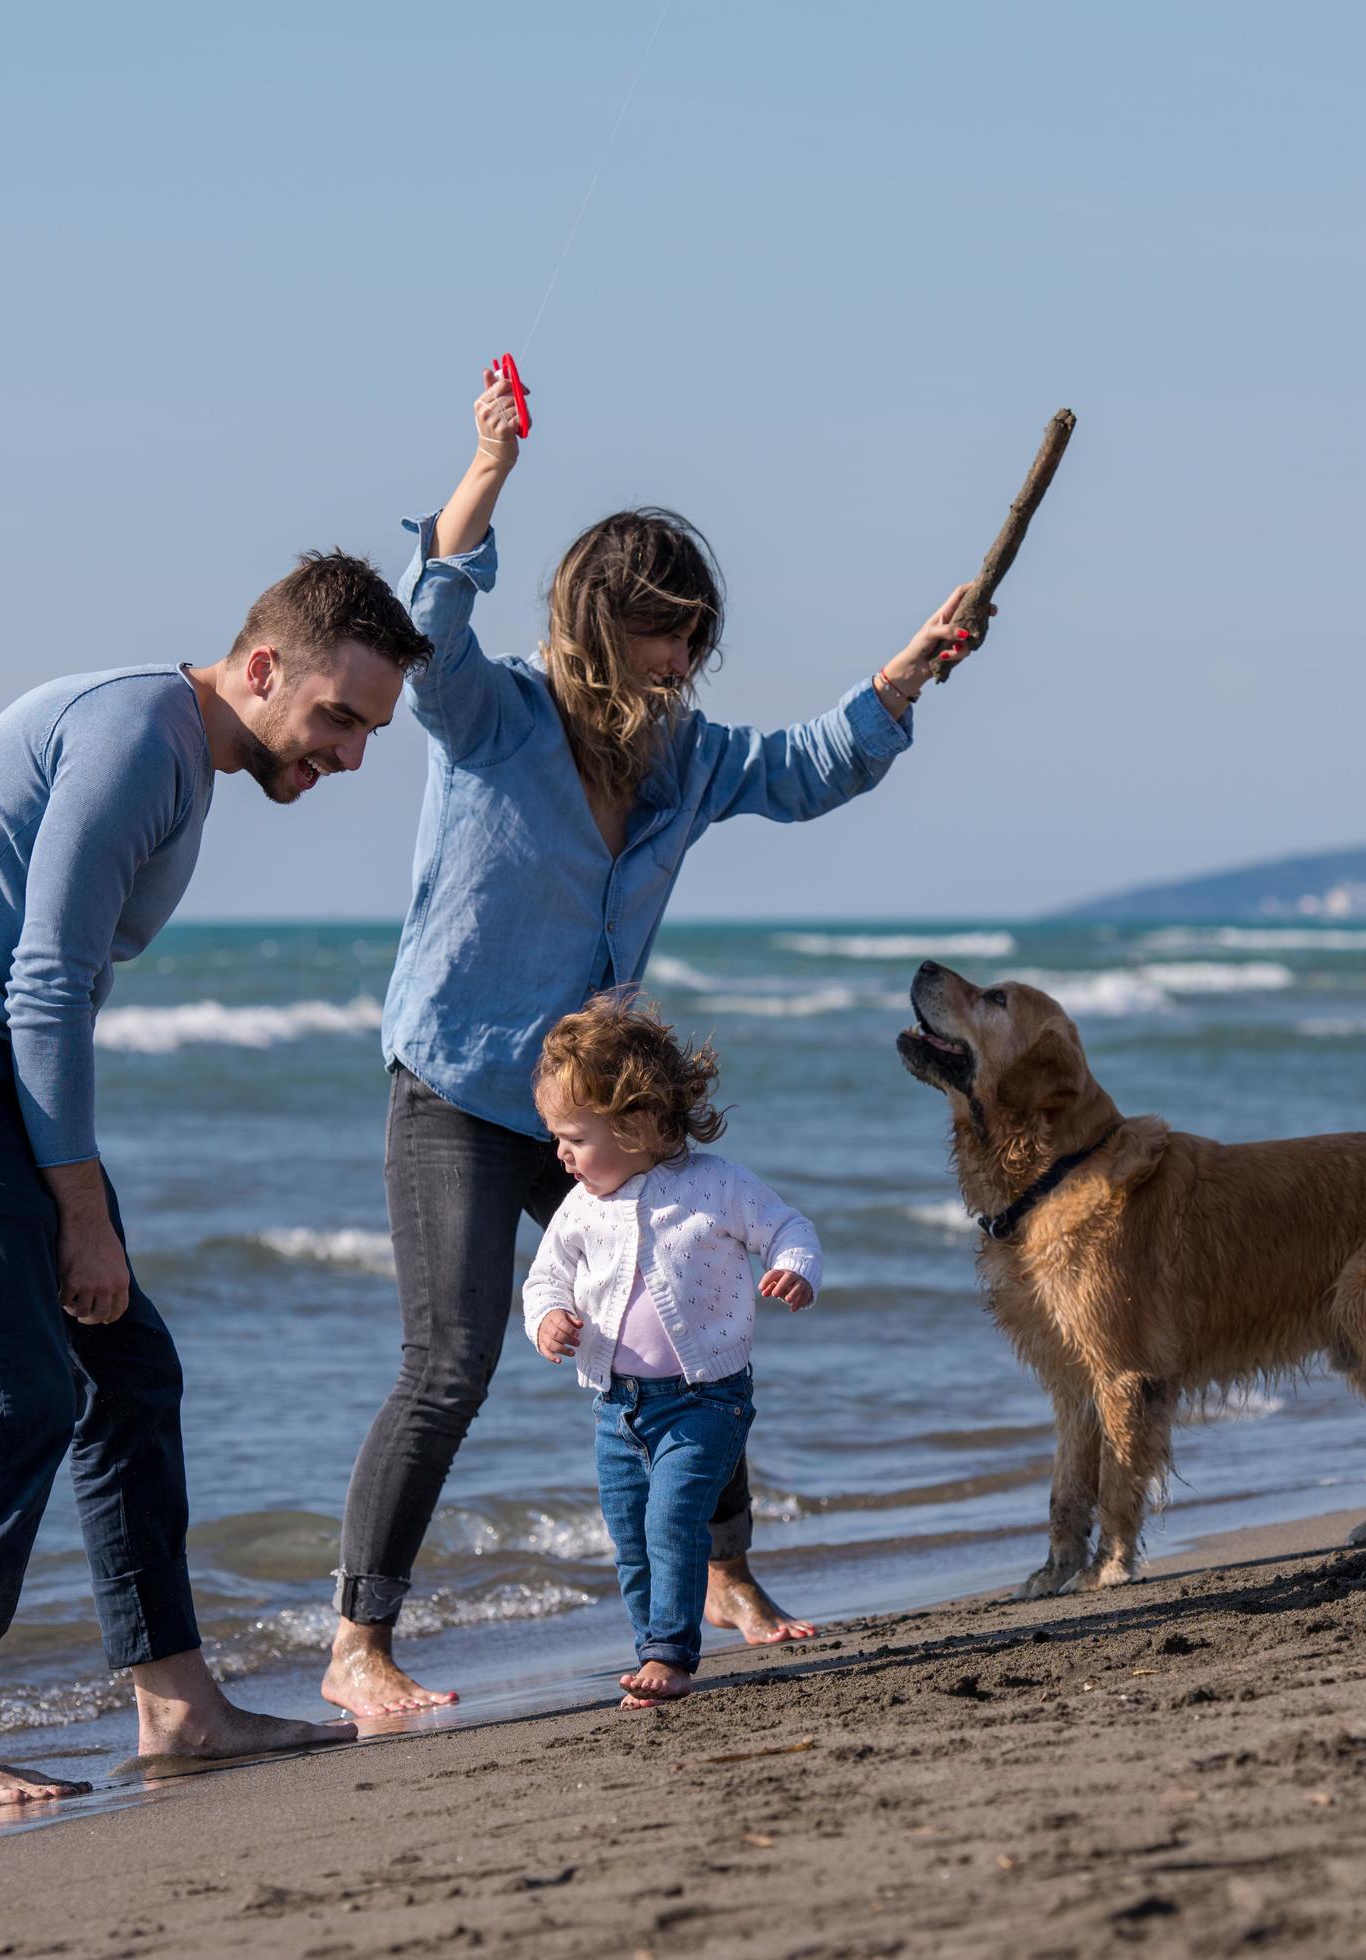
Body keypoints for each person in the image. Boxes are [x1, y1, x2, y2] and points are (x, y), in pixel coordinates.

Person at [322, 364, 981, 1717]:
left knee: (693, 1308)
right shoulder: (488, 714)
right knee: (450, 1362)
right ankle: (357, 1647)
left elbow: (805, 768)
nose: (685, 661)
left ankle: (726, 1576)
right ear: (599, 623)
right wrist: (490, 464)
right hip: (454, 1087)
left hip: (601, 1107)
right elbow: (430, 604)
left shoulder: (680, 759)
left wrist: (903, 677)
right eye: (665, 633)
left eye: (696, 636)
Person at [0, 551, 429, 1820]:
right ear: (261, 670)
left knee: (123, 1368)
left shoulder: (177, 752)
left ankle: (179, 1706)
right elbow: (44, 979)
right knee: (17, 1388)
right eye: (338, 718)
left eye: (369, 729)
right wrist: (80, 1208)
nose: (352, 755)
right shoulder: (139, 739)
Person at [521, 996, 820, 1708]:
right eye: (555, 1137)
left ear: (639, 1123)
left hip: (706, 1401)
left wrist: (795, 1268)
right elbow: (545, 1276)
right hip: (616, 1409)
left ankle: (671, 1657)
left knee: (672, 1520)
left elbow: (788, 1226)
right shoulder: (580, 1206)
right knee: (629, 1538)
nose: (559, 1154)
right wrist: (548, 1319)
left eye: (573, 1137)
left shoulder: (715, 1185)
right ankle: (646, 1649)